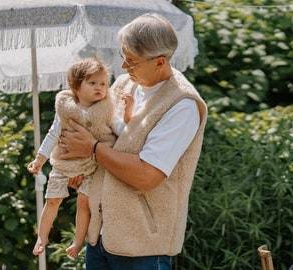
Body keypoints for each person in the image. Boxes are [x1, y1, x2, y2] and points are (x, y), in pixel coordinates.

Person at [59, 13, 207, 269]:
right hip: (100, 237)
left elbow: (146, 176)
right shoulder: (126, 83)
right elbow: (107, 135)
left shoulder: (182, 105)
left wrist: (92, 149)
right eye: (123, 57)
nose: (124, 68)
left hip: (144, 247)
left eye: (132, 62)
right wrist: (80, 168)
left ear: (160, 62)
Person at [27, 57, 134, 258]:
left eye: (103, 83)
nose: (99, 88)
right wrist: (40, 159)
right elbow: (53, 134)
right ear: (76, 86)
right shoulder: (65, 107)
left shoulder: (106, 107)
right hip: (65, 162)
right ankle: (42, 236)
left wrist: (128, 115)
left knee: (84, 202)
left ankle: (77, 242)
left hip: (92, 164)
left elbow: (120, 128)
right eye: (92, 83)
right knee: (52, 199)